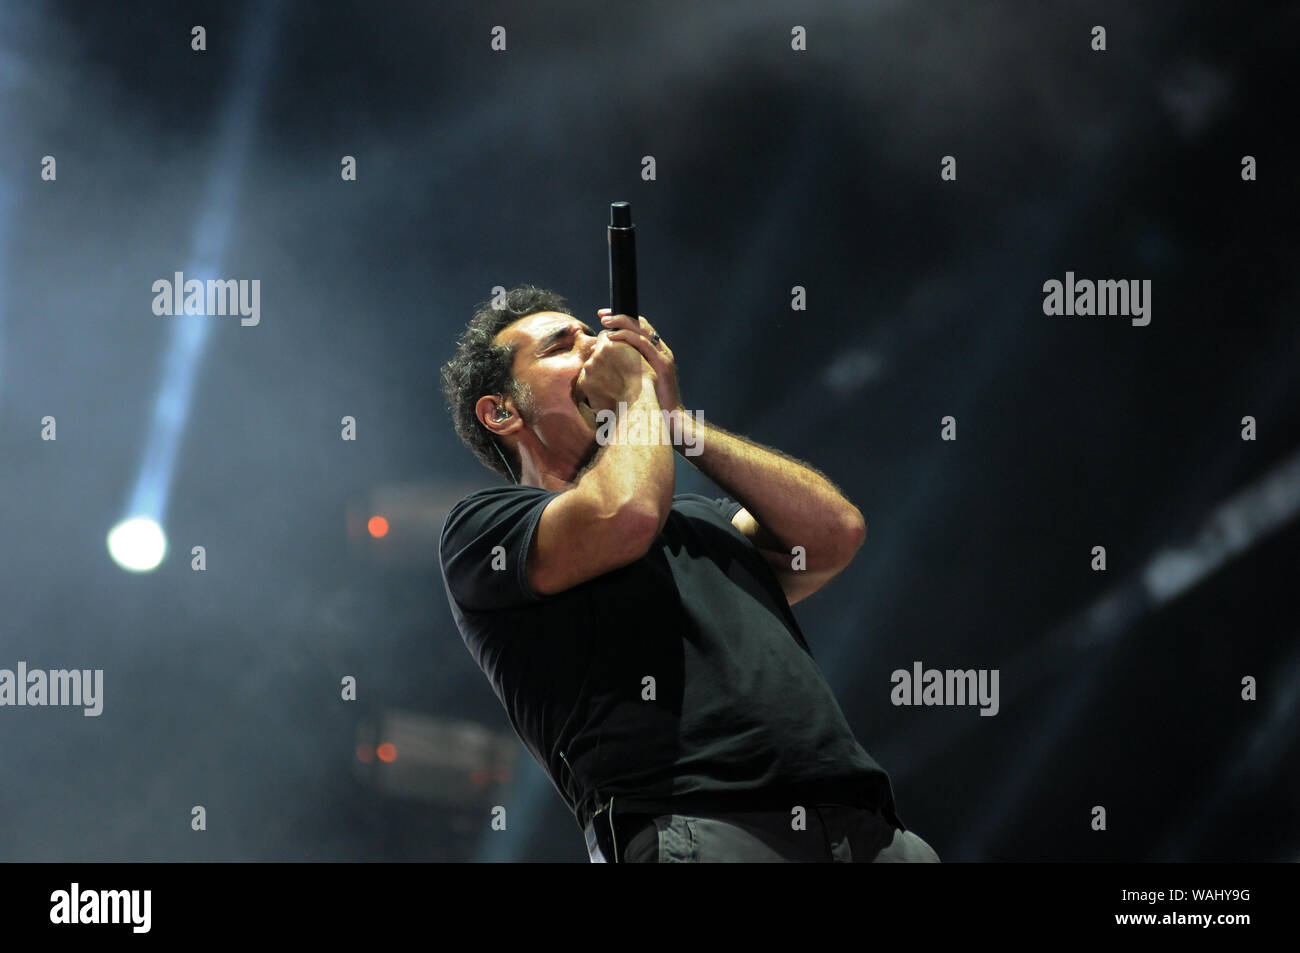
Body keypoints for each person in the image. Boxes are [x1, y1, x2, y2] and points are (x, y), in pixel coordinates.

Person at [438, 285, 939, 863]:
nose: (599, 349)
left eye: (591, 332)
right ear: (502, 411)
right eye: (562, 346)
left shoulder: (700, 519)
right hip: (700, 826)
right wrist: (631, 396)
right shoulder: (484, 530)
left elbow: (834, 534)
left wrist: (674, 422)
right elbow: (626, 517)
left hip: (869, 833)